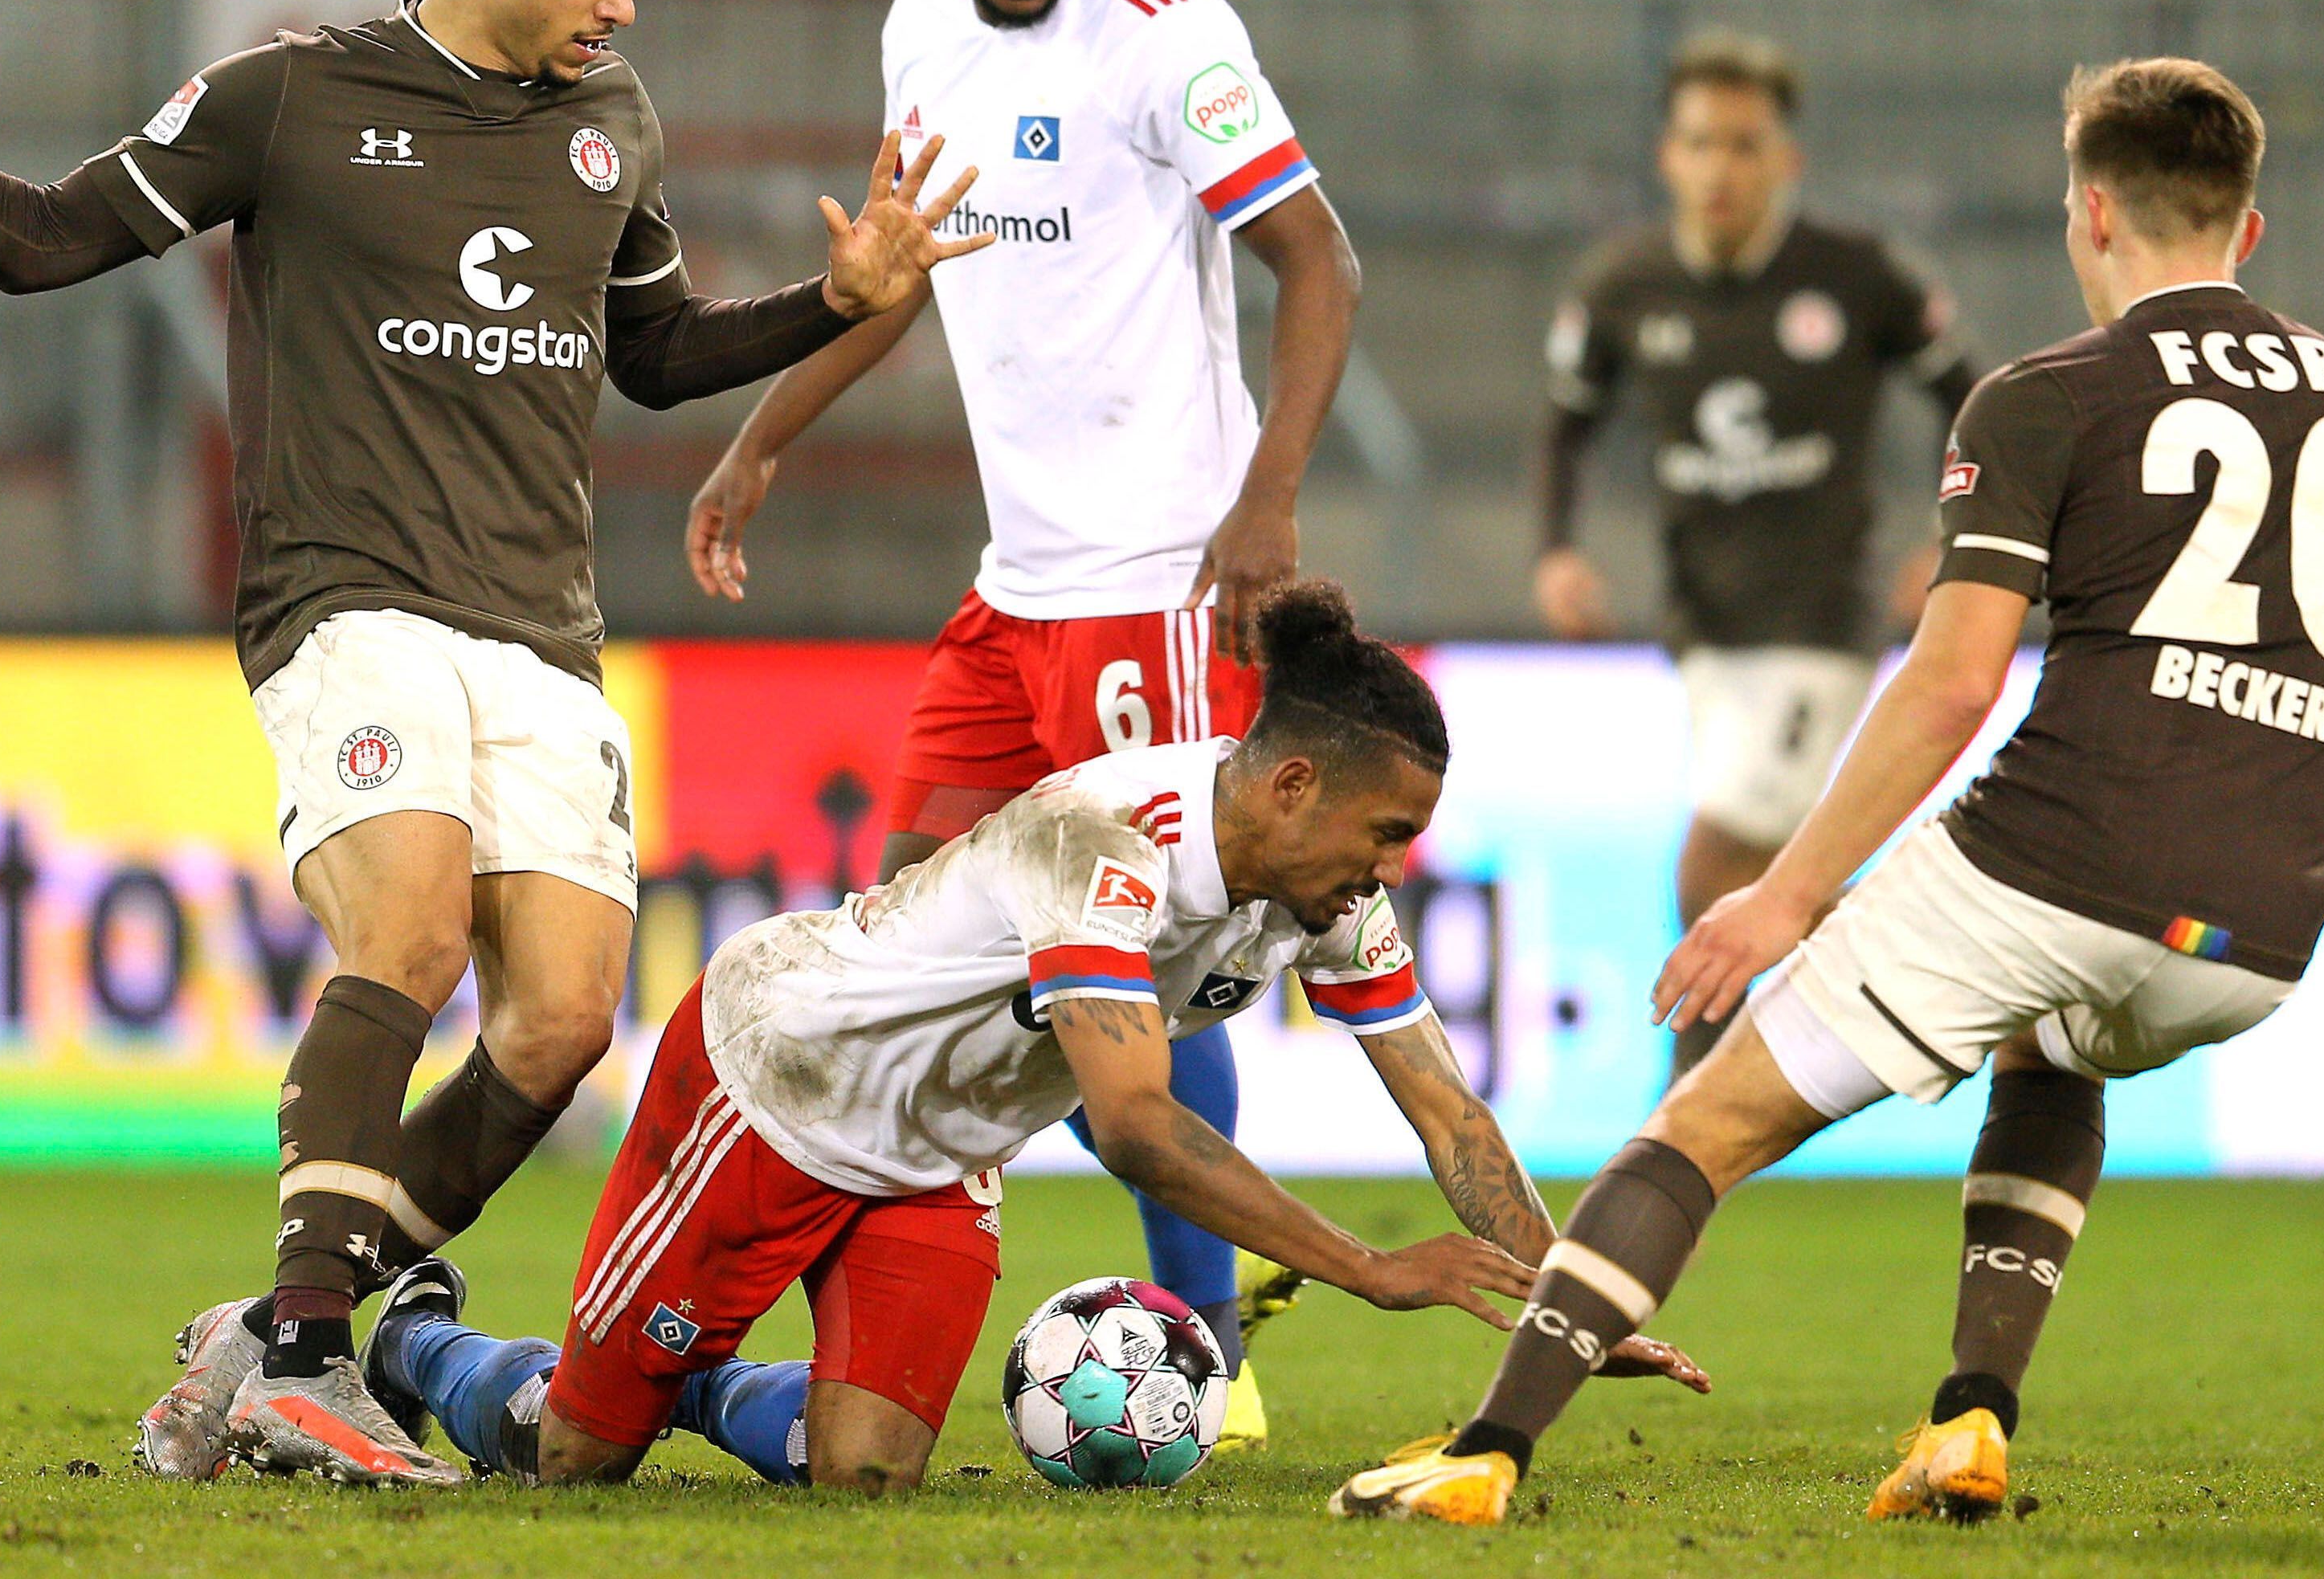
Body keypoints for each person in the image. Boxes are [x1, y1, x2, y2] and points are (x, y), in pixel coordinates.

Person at [0, 0, 991, 1487]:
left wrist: (838, 304)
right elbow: (37, 242)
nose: (621, 6)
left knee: (559, 1022)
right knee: (410, 929)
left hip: (541, 624)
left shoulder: (613, 119)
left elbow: (655, 356)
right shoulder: (288, 96)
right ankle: (313, 1365)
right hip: (347, 595)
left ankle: (274, 1320)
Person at [1332, 58, 2324, 1526]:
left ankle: (1485, 1455)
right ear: (2248, 231)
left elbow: (1951, 687)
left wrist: (1788, 895)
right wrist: (2306, 579)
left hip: (2058, 861)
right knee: (2054, 1047)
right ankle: (1970, 1422)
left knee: (1705, 1127)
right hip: (2261, 935)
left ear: (2090, 215)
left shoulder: (2049, 398)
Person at [352, 585, 1705, 1492]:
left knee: (866, 1480)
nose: (1393, 871)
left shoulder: (1322, 895)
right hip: (774, 1085)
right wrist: (1366, 1268)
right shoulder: (1103, 843)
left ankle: (694, 1382)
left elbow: (1452, 1119)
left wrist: (1569, 1295)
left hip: (937, 1154)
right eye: (1386, 835)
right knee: (578, 1464)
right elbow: (1135, 1127)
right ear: (1294, 785)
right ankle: (419, 1341)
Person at [680, 0, 1369, 1441]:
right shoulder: (921, 22)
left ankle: (1209, 1354)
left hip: (1151, 584)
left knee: (1139, 957)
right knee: (920, 940)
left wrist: (1264, 497)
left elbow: (1321, 261)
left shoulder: (1167, 36)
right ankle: (868, 1290)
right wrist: (758, 439)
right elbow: (899, 268)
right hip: (1011, 592)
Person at [1534, 29, 1979, 1079]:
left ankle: (1687, 1106)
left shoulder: (1856, 277)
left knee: (1719, 859)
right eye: (1700, 143)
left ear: (1786, 158)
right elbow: (1565, 422)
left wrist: (1952, 541)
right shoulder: (1623, 285)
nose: (1720, 168)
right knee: (1780, 872)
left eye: (1744, 144)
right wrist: (1556, 550)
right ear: (1667, 157)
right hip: (1700, 627)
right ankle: (1943, 981)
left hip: (1817, 620)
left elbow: (1975, 397)